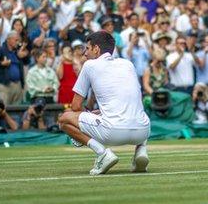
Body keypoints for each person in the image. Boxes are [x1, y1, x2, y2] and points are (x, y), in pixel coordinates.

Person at [57, 31, 150, 176]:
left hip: (112, 132)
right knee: (137, 111)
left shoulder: (89, 65)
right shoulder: (128, 64)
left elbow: (75, 107)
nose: (85, 54)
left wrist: (87, 117)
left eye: (87, 49)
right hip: (143, 131)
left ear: (96, 49)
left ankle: (102, 154)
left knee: (64, 119)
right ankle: (141, 151)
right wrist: (98, 113)